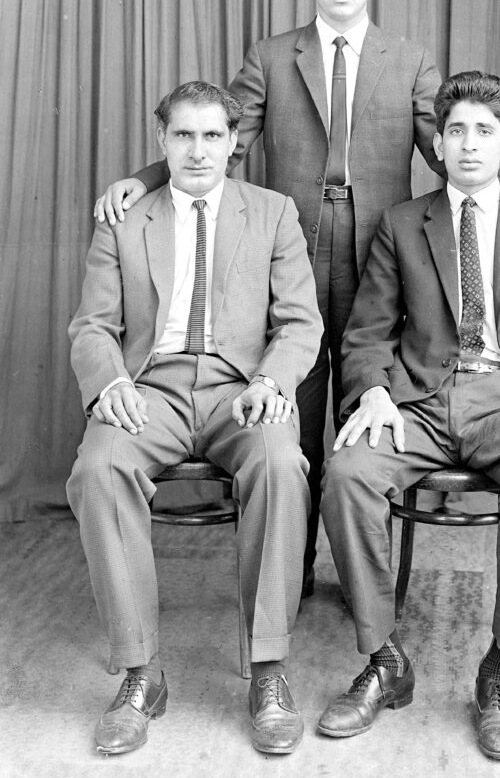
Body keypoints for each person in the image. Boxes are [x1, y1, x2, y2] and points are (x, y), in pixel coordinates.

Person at [92, 0, 500, 593]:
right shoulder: (271, 58)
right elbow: (215, 141)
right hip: (288, 255)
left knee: (366, 405)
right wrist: (144, 179)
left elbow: (455, 148)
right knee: (290, 404)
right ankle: (289, 569)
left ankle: (359, 570)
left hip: (379, 257)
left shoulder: (407, 60)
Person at [318, 71, 500, 761]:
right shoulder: (402, 225)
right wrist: (373, 392)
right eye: (455, 131)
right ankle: (385, 658)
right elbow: (366, 334)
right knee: (348, 473)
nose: (469, 145)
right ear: (436, 145)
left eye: (484, 132)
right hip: (415, 400)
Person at [67, 82, 323, 757]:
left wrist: (272, 381)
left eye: (213, 136)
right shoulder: (125, 219)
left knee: (278, 464)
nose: (199, 149)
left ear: (234, 142)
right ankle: (139, 673)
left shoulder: (273, 213)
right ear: (162, 141)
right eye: (184, 135)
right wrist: (111, 383)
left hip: (241, 390)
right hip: (148, 389)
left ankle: (267, 672)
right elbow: (92, 327)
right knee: (97, 468)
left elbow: (301, 323)